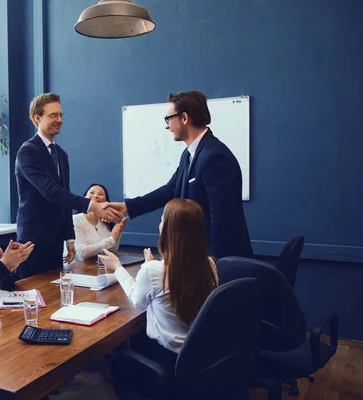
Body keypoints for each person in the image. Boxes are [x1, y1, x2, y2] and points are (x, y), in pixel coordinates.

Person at [109, 91, 252, 259]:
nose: (167, 126)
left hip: (217, 260)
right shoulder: (189, 154)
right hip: (198, 257)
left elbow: (222, 220)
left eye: (168, 119)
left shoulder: (214, 156)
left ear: (184, 118)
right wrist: (127, 206)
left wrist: (213, 265)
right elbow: (170, 189)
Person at [15, 93, 123, 278]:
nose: (59, 120)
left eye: (60, 115)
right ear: (37, 118)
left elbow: (64, 196)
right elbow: (51, 191)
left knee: (54, 295)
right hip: (34, 240)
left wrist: (69, 237)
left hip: (55, 239)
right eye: (53, 115)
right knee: (35, 292)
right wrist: (93, 206)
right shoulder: (28, 152)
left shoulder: (61, 154)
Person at [99, 198, 218, 364]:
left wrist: (117, 267)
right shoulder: (209, 264)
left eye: (162, 219)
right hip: (198, 354)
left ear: (170, 230)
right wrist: (149, 267)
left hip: (166, 356)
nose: (159, 223)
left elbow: (138, 302)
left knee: (114, 356)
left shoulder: (153, 271)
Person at [73, 183, 128, 261]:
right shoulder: (76, 220)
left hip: (98, 266)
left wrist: (118, 233)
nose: (95, 196)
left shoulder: (105, 221)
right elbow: (82, 253)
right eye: (92, 193)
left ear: (106, 201)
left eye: (100, 194)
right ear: (84, 198)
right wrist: (111, 239)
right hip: (79, 269)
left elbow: (112, 249)